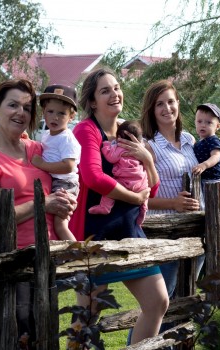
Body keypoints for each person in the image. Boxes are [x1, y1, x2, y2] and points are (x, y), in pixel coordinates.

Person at [0, 79, 77, 346]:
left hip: (48, 258)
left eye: (27, 108)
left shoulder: (36, 148)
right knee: (22, 335)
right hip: (17, 263)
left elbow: (70, 172)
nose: (21, 113)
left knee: (45, 333)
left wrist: (66, 202)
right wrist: (45, 204)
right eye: (13, 105)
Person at [68, 68, 168, 345]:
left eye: (117, 87)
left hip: (130, 233)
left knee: (158, 302)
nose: (115, 94)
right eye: (105, 90)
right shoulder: (86, 130)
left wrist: (147, 160)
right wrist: (134, 198)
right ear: (92, 102)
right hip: (95, 235)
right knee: (88, 314)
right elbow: (92, 176)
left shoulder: (129, 130)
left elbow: (150, 188)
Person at [140, 80, 207, 303]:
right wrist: (172, 203)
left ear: (178, 103)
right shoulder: (148, 146)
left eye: (170, 101)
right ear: (152, 110)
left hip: (197, 227)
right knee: (160, 300)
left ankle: (177, 339)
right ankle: (142, 340)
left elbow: (202, 172)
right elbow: (138, 196)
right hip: (166, 231)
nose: (167, 108)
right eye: (160, 104)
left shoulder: (189, 140)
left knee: (185, 294)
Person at [31, 84, 81, 241]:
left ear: (71, 117)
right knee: (50, 223)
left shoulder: (66, 138)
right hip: (55, 182)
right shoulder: (46, 135)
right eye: (50, 112)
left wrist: (41, 165)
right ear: (44, 112)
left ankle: (80, 255)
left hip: (65, 184)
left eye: (62, 113)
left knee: (60, 225)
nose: (55, 117)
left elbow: (68, 166)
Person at [88, 120, 150, 225]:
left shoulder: (120, 148)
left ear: (119, 137)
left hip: (125, 182)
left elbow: (111, 157)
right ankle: (143, 211)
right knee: (145, 195)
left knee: (110, 188)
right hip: (140, 182)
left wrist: (106, 145)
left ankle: (105, 207)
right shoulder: (140, 149)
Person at [191, 103, 220, 185]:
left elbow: (216, 156)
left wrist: (204, 165)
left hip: (214, 179)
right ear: (195, 122)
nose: (203, 125)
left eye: (209, 123)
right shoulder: (198, 142)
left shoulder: (213, 140)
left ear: (217, 126)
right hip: (204, 179)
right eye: (199, 121)